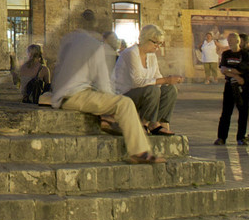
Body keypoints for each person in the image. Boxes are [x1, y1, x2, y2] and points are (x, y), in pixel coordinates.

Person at [51, 12, 163, 165]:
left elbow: (58, 68)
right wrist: (111, 102)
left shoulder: (68, 40)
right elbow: (104, 83)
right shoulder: (95, 47)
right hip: (74, 95)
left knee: (103, 98)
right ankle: (139, 151)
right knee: (124, 103)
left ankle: (108, 120)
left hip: (60, 93)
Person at [113, 24, 180, 135]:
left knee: (170, 90)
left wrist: (169, 81)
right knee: (153, 90)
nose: (157, 47)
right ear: (145, 38)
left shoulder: (151, 56)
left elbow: (157, 77)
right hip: (125, 95)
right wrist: (165, 80)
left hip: (142, 93)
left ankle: (158, 121)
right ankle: (143, 123)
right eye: (155, 43)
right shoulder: (131, 53)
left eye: (159, 44)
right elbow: (137, 82)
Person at [215, 32, 249, 146]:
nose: (230, 42)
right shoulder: (226, 54)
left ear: (238, 41)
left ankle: (241, 137)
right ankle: (221, 137)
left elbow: (245, 69)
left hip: (242, 86)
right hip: (230, 85)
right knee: (226, 112)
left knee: (243, 112)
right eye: (228, 40)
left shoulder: (245, 55)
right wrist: (235, 74)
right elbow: (223, 69)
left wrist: (231, 70)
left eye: (232, 40)